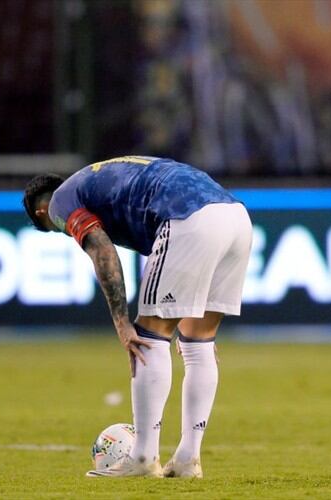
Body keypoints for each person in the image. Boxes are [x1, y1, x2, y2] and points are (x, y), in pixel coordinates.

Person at [23, 156, 252, 477]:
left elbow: (101, 249)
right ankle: (188, 460)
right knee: (197, 343)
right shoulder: (98, 180)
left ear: (40, 213)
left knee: (148, 337)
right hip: (236, 217)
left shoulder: (60, 201)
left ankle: (143, 458)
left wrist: (121, 322)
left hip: (188, 217)